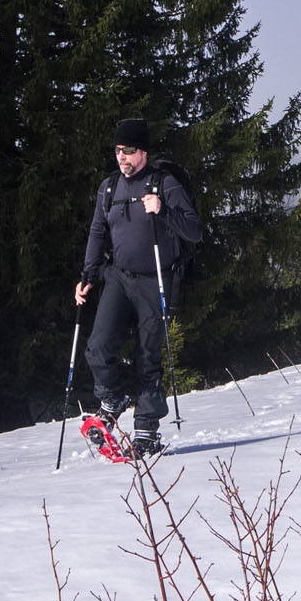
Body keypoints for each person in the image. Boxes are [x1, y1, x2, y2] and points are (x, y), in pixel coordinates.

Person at [76, 118, 201, 457]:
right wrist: (88, 275)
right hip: (118, 277)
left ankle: (146, 428)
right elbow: (98, 233)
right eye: (118, 151)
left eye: (129, 151)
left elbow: (194, 231)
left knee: (147, 356)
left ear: (143, 152)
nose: (122, 157)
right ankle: (113, 397)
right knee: (98, 347)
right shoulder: (109, 188)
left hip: (157, 279)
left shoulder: (165, 183)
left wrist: (162, 211)